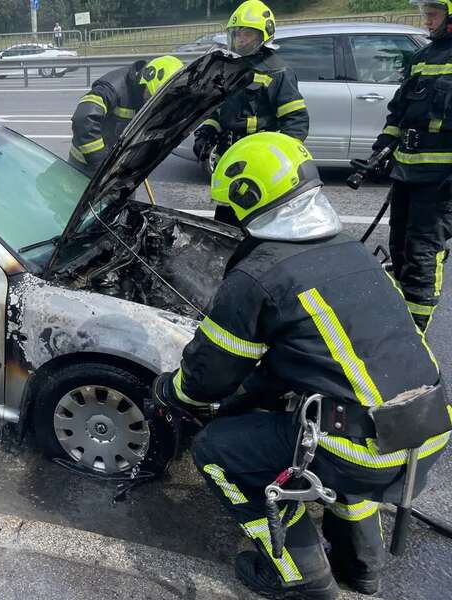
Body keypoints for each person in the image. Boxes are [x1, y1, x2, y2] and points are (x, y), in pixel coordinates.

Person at [150, 132, 449, 599]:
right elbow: (308, 361)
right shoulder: (350, 250)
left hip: (359, 449)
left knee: (219, 451)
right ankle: (362, 569)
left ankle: (301, 576)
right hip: (428, 427)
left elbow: (208, 378)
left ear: (249, 199)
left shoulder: (259, 275)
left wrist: (172, 391)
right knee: (341, 448)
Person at [373, 0, 452, 332]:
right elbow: (401, 109)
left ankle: (415, 335)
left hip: (440, 180)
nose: (427, 19)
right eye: (426, 12)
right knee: (400, 248)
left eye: (434, 12)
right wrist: (383, 147)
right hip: (407, 173)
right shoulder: (422, 57)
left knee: (422, 253)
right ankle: (398, 321)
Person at [192, 0, 309, 225]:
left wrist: (273, 159)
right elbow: (218, 112)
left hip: (258, 163)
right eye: (236, 34)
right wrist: (205, 133)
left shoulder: (278, 72)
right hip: (231, 157)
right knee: (225, 223)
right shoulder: (233, 68)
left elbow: (296, 122)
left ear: (263, 36)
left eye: (246, 35)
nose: (240, 40)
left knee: (254, 224)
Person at [69, 55, 183, 175]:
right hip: (85, 166)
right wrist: (100, 164)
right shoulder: (112, 87)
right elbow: (83, 119)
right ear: (146, 79)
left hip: (118, 169)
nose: (151, 103)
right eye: (151, 97)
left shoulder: (144, 94)